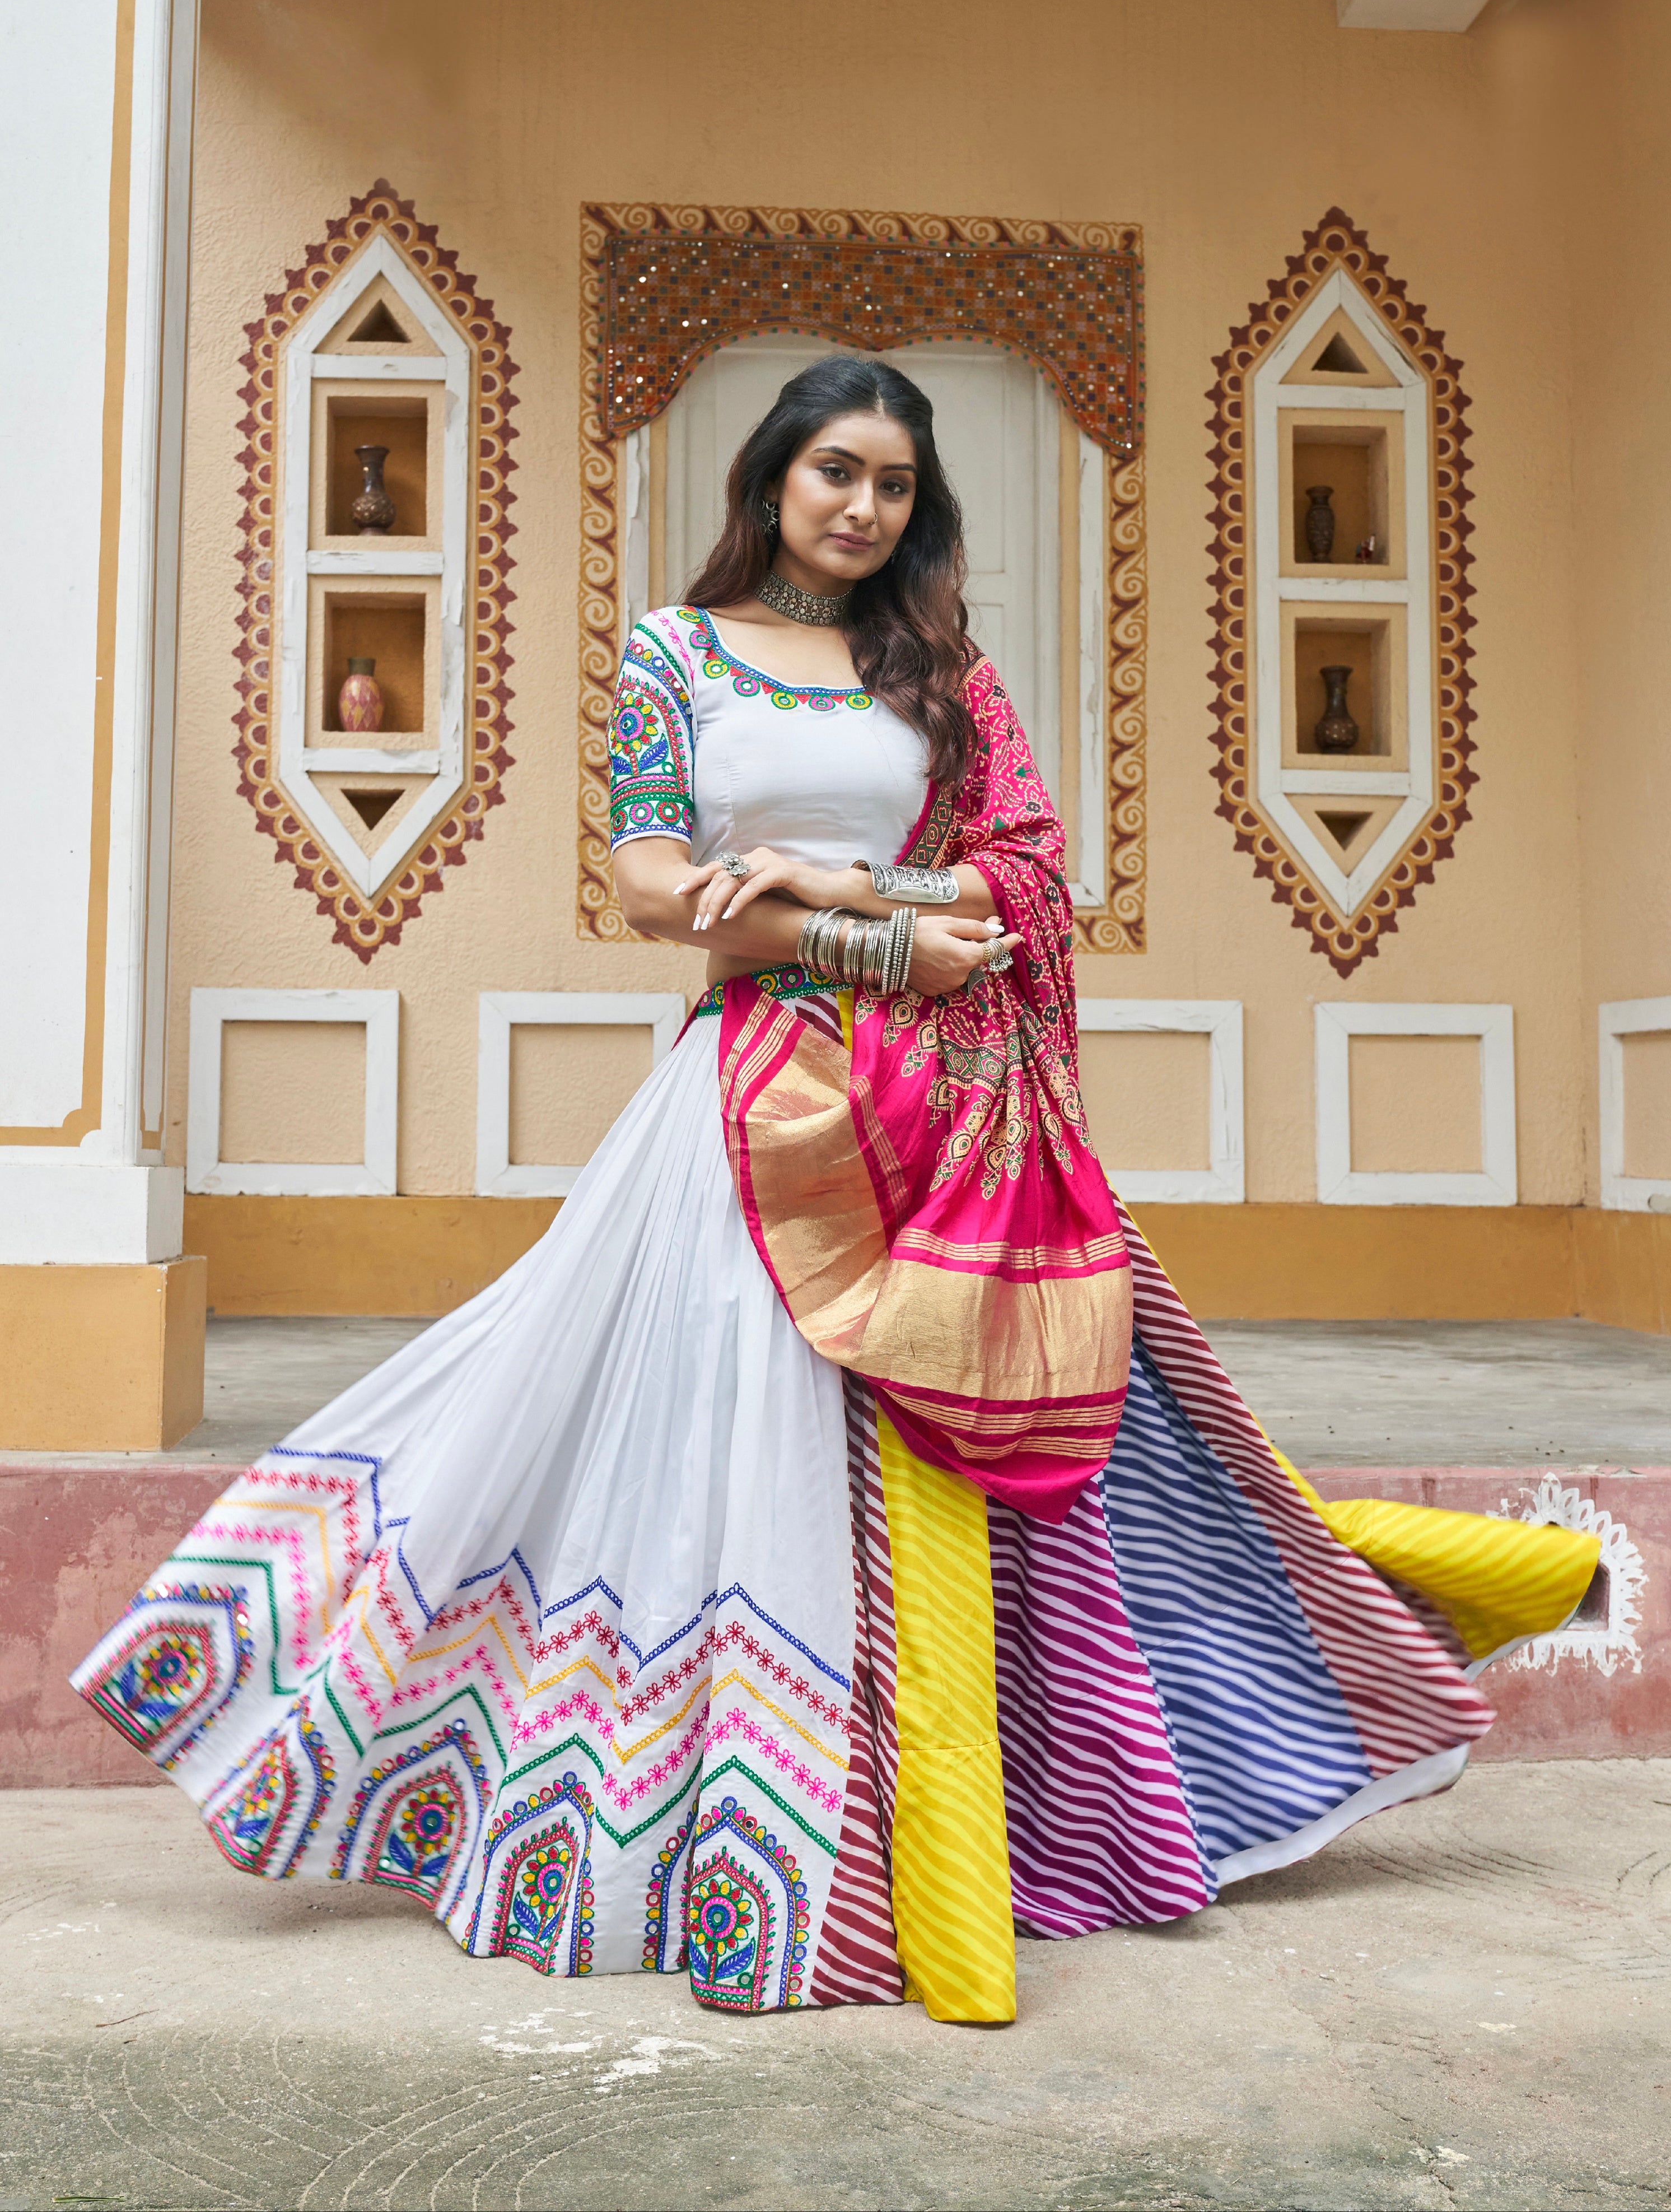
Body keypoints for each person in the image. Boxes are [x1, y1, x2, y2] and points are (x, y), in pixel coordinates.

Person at [74, 355, 1595, 2024]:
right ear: (774, 474)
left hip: (954, 1116)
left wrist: (828, 870)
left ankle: (1075, 1786)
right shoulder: (674, 653)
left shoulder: (936, 666)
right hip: (755, 1110)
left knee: (1114, 1447)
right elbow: (658, 890)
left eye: (893, 486)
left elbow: (1027, 881)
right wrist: (864, 929)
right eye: (837, 473)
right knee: (664, 1436)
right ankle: (658, 1814)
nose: (864, 508)